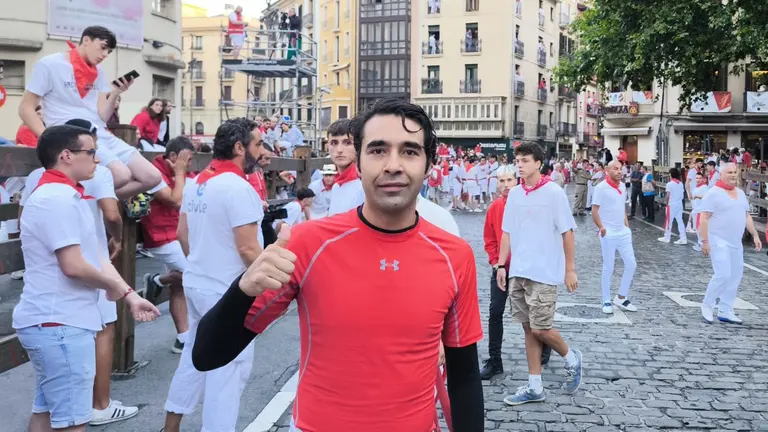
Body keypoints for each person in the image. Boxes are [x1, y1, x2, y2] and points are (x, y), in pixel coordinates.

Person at [191, 99, 484, 431]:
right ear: (357, 164)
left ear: (428, 165)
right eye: (377, 150)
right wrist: (243, 288)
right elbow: (207, 355)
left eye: (409, 151)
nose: (392, 165)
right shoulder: (308, 243)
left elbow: (464, 377)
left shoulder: (454, 255)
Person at [13, 124, 159, 432]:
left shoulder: (67, 196)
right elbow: (74, 266)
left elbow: (95, 258)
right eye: (91, 152)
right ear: (66, 156)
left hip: (55, 322)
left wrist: (129, 295)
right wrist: (117, 287)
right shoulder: (57, 198)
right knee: (73, 423)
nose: (98, 160)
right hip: (60, 323)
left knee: (47, 415)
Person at [163, 120, 265, 432]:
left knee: (193, 358)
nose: (261, 152)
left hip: (197, 282)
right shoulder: (239, 188)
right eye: (258, 144)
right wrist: (280, 282)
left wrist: (202, 260)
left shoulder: (197, 182)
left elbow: (182, 233)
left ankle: (171, 426)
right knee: (228, 371)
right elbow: (248, 249)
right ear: (239, 148)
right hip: (226, 291)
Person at [18, 26, 161, 200]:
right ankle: (80, 200)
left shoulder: (99, 72)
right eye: (102, 47)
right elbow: (26, 108)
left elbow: (102, 116)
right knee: (121, 176)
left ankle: (89, 201)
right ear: (86, 40)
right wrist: (50, 139)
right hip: (72, 136)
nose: (104, 55)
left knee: (152, 177)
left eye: (108, 52)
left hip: (100, 134)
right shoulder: (50, 64)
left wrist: (116, 92)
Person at [497, 142, 582, 406]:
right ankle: (535, 385)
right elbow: (507, 231)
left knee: (541, 329)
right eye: (517, 160)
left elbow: (568, 231)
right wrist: (501, 265)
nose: (519, 165)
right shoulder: (515, 194)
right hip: (519, 271)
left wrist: (569, 269)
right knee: (528, 329)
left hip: (545, 272)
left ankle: (571, 358)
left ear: (538, 163)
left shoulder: (554, 193)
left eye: (524, 160)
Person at [480, 165, 551, 380]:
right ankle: (495, 360)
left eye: (509, 180)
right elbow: (490, 239)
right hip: (501, 269)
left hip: (526, 269)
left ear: (516, 181)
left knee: (530, 315)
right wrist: (495, 263)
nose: (505, 185)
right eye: (501, 181)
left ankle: (543, 348)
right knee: (495, 312)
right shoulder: (494, 208)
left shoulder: (527, 205)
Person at [139, 136, 196, 354]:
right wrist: (180, 173)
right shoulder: (154, 173)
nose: (190, 165)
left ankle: (183, 338)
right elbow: (175, 200)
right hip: (162, 236)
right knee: (196, 274)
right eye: (187, 160)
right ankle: (156, 280)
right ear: (173, 157)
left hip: (179, 233)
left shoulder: (181, 172)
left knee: (179, 286)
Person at [699, 163, 761, 324]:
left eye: (735, 172)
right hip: (718, 240)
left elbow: (746, 216)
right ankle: (707, 305)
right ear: (721, 175)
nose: (733, 175)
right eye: (729, 172)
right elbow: (704, 217)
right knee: (723, 274)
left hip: (735, 242)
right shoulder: (713, 193)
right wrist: (705, 241)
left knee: (735, 277)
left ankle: (725, 310)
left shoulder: (740, 193)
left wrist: (755, 235)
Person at [591, 161, 638, 314]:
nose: (619, 172)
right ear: (607, 170)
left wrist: (626, 226)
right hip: (608, 232)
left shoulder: (623, 186)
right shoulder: (601, 188)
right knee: (609, 266)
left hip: (622, 232)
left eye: (621, 169)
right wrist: (602, 228)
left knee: (631, 264)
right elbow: (594, 210)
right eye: (615, 169)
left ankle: (621, 297)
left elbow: (621, 207)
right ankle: (606, 300)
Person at [327, 119, 365, 215]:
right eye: (334, 143)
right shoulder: (336, 186)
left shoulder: (365, 186)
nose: (339, 149)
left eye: (347, 143)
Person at [659, 167, 687, 245]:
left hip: (671, 204)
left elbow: (668, 195)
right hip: (679, 203)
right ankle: (683, 238)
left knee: (668, 221)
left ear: (671, 174)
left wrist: (666, 203)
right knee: (680, 221)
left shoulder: (670, 184)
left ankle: (667, 237)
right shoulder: (680, 183)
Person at [690, 171, 710, 252]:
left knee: (699, 228)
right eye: (697, 178)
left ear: (703, 179)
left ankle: (701, 244)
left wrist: (698, 196)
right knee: (697, 228)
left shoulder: (705, 187)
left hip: (700, 211)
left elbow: (707, 197)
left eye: (700, 178)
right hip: (696, 210)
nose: (698, 180)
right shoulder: (696, 187)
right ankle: (700, 243)